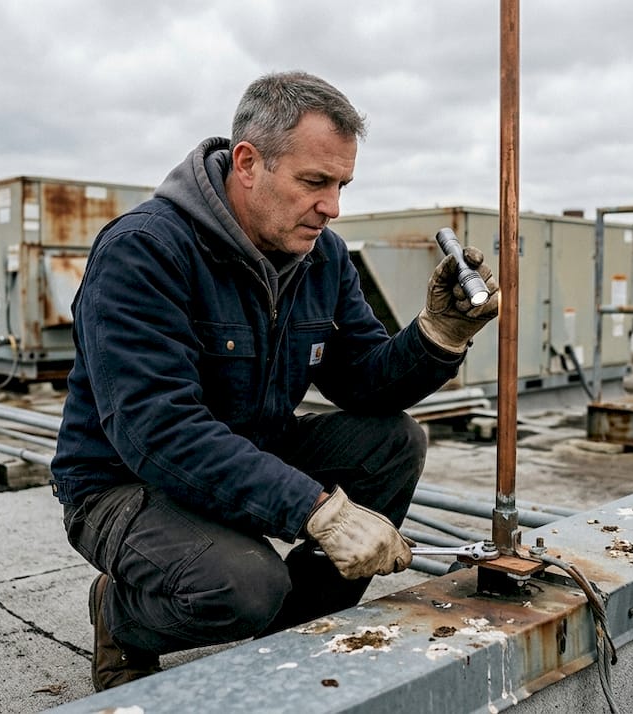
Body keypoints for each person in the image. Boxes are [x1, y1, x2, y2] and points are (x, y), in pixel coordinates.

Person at [50, 69, 499, 692]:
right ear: (248, 162)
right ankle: (121, 615)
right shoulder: (145, 250)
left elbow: (362, 381)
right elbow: (156, 430)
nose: (332, 206)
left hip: (249, 454)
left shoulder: (323, 256)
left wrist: (437, 336)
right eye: (314, 182)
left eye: (341, 184)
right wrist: (316, 511)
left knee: (393, 442)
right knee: (245, 585)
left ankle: (292, 638)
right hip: (123, 483)